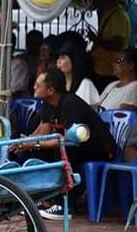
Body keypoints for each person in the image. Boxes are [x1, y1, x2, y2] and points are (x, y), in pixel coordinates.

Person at [11, 68, 116, 219]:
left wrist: (34, 144)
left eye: (38, 85)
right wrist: (24, 143)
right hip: (74, 145)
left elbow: (67, 140)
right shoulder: (48, 104)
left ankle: (64, 206)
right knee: (29, 152)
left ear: (50, 90)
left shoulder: (70, 103)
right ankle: (43, 199)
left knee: (65, 151)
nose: (34, 87)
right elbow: (42, 132)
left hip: (99, 148)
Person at [90, 0, 130, 91]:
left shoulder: (118, 16)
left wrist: (96, 40)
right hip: (101, 70)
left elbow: (117, 44)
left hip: (110, 72)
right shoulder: (108, 13)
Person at [97, 48, 137, 113]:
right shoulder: (112, 84)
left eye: (118, 61)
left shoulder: (136, 86)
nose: (114, 64)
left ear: (131, 65)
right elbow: (98, 105)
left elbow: (123, 111)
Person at [56, 42, 99, 106]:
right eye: (58, 58)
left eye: (63, 58)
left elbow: (84, 110)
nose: (58, 61)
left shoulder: (86, 84)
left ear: (73, 60)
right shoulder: (58, 83)